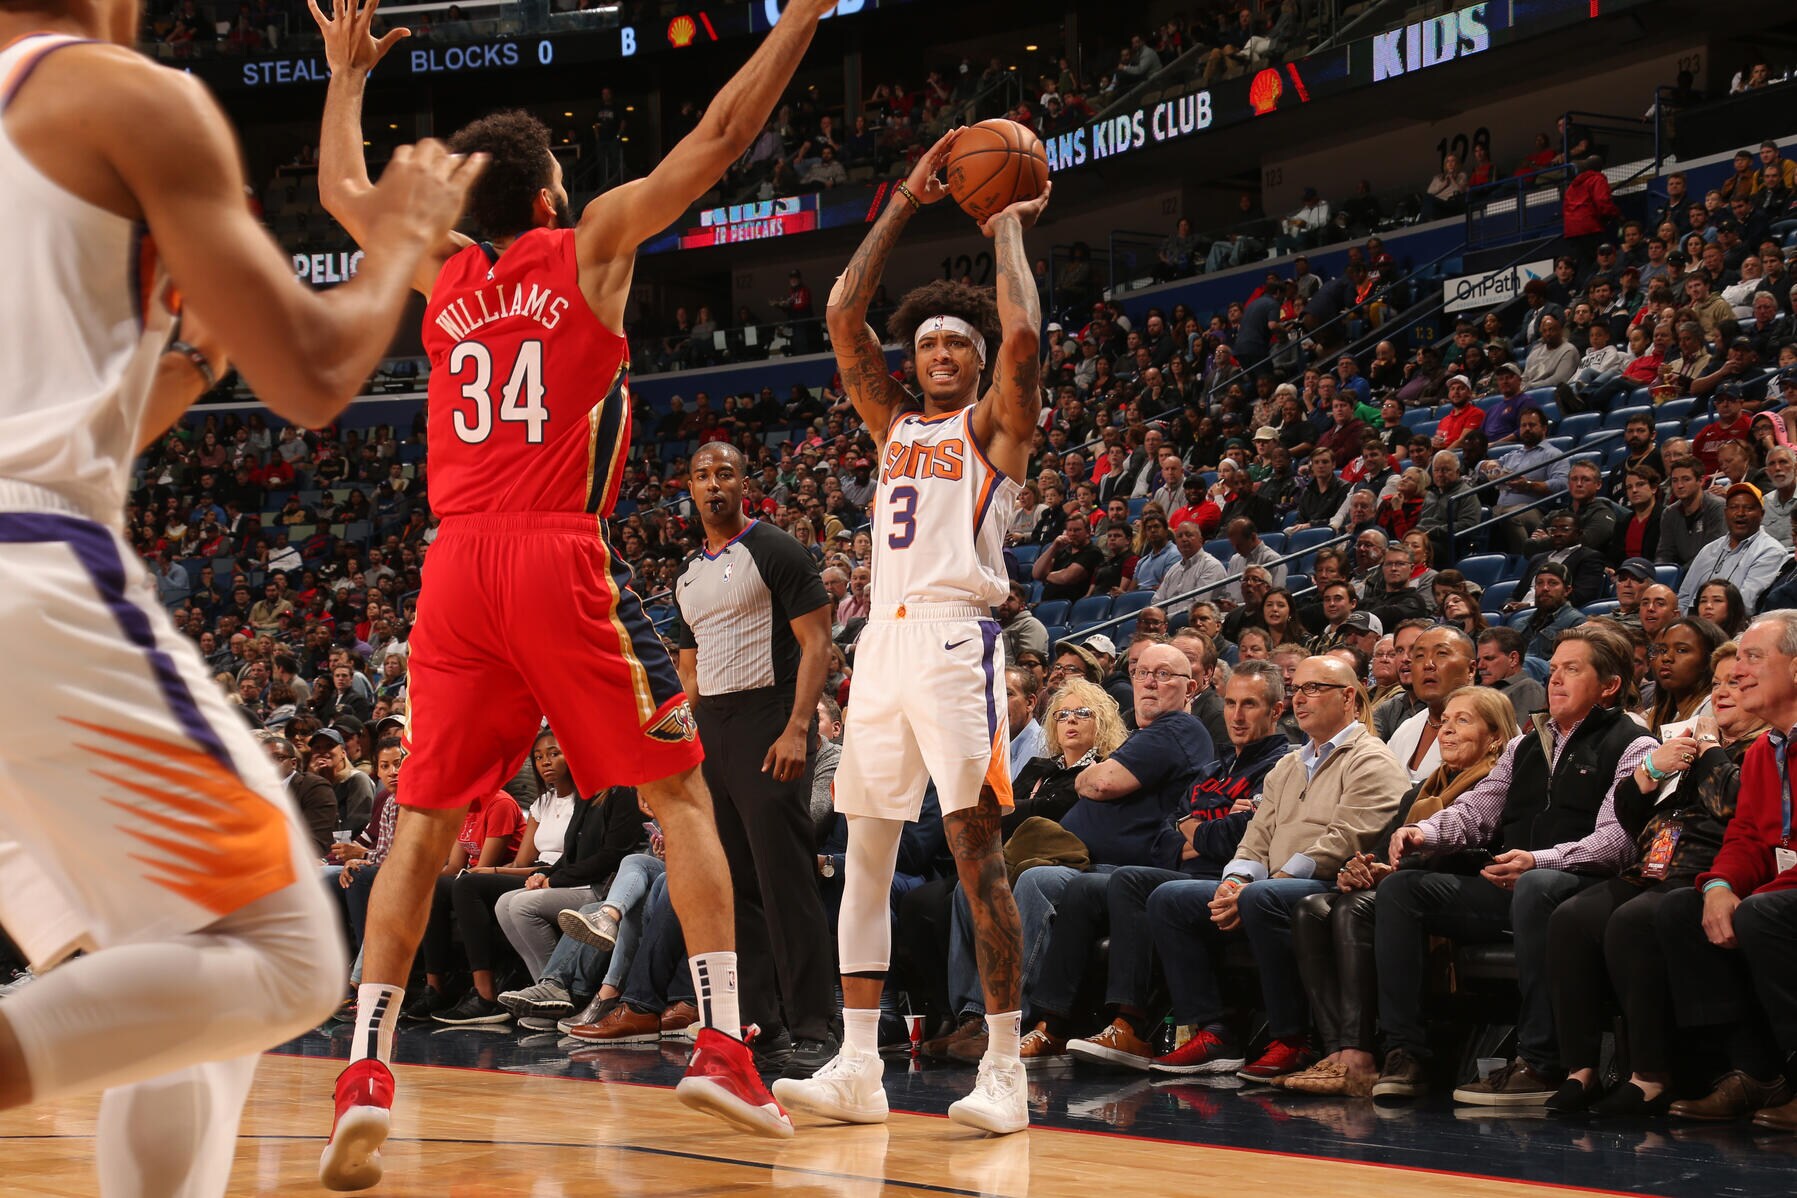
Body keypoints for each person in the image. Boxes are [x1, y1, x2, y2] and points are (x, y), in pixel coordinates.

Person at [311, 0, 842, 1171]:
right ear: (549, 194)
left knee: (422, 827)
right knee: (682, 796)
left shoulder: (447, 276)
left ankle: (363, 1061)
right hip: (555, 551)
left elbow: (346, 197)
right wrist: (801, 16)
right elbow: (719, 132)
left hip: (452, 567)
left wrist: (344, 75)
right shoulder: (591, 242)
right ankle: (720, 1046)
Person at [0, 10, 468, 1170]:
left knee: (196, 971)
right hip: (27, 571)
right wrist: (401, 241)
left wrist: (197, 359)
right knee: (287, 957)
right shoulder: (124, 96)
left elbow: (76, 423)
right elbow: (314, 372)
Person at [772, 123, 1052, 1137]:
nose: (940, 353)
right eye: (928, 341)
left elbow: (1022, 340)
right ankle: (856, 1066)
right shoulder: (893, 425)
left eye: (956, 346)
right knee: (865, 853)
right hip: (879, 647)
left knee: (979, 851)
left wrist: (1008, 224)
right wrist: (905, 196)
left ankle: (1007, 1072)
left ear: (975, 368)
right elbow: (845, 309)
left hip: (951, 643)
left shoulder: (996, 430)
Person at [1371, 624, 1655, 1104]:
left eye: (1573, 669)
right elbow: (1480, 809)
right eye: (1555, 668)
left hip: (1578, 890)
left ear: (1608, 686)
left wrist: (1537, 860)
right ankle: (1408, 1053)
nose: (1557, 679)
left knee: (1537, 886)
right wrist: (1425, 832)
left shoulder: (1633, 743)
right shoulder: (1528, 742)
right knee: (1402, 889)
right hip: (1513, 886)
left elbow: (1618, 842)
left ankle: (1541, 1062)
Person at [1141, 655, 1408, 1080]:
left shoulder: (1371, 759)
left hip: (1332, 884)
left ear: (1349, 697)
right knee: (1170, 899)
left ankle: (1292, 1039)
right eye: (1296, 689)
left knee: (1264, 898)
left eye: (1314, 688)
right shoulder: (1288, 764)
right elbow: (1256, 836)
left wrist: (1266, 884)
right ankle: (1214, 1033)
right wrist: (1233, 882)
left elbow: (1346, 838)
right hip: (1269, 887)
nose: (1300, 699)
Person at [1030, 662, 1294, 1066]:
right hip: (1180, 870)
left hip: (1223, 877)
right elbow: (1165, 835)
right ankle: (1052, 1026)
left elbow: (1237, 835)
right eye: (1231, 704)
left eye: (1251, 705)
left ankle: (1130, 1025)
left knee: (1132, 882)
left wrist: (1201, 827)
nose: (1237, 716)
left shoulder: (1279, 765)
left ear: (1276, 711)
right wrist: (1209, 824)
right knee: (1084, 888)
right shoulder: (1214, 768)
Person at [672, 443, 838, 1078]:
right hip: (712, 731)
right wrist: (685, 751)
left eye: (726, 474)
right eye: (703, 475)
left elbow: (817, 641)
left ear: (746, 481)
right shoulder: (688, 575)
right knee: (734, 886)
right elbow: (687, 672)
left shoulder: (775, 549)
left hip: (771, 722)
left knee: (785, 880)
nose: (715, 485)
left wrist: (799, 728)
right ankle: (762, 1023)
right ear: (689, 487)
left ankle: (815, 1024)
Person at [1545, 643, 1765, 1115]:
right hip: (1650, 867)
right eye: (1719, 683)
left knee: (1633, 921)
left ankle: (1649, 1075)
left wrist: (1706, 752)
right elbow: (1627, 817)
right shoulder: (1687, 745)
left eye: (1737, 682)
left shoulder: (1759, 749)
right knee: (1570, 919)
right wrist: (1649, 769)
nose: (1724, 692)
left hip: (1703, 871)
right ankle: (1579, 1069)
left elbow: (1733, 806)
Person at [1283, 686, 1517, 1096]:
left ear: (1495, 736)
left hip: (1468, 898)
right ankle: (1336, 1050)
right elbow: (1379, 853)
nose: (1446, 731)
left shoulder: (1500, 788)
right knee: (1313, 907)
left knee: (1353, 909)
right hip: (1409, 888)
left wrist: (1388, 873)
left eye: (1463, 721)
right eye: (1444, 722)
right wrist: (1357, 869)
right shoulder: (1422, 790)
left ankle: (1368, 1054)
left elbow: (1472, 857)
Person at [1652, 613, 1797, 1130]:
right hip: (1781, 890)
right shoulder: (1764, 751)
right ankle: (1754, 1071)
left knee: (1764, 913)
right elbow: (1746, 837)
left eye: (1754, 658)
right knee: (1681, 910)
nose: (1736, 672)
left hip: (1785, 895)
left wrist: (1747, 895)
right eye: (1736, 660)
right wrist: (1717, 886)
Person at [1384, 627, 1478, 783]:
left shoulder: (1491, 726)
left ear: (1471, 669)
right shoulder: (1405, 729)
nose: (1427, 664)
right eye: (1419, 656)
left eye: (1441, 654)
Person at [1676, 483, 1788, 611]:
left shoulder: (1771, 551)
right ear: (1725, 512)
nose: (1740, 513)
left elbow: (1745, 605)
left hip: (1734, 627)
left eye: (1748, 508)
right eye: (1734, 507)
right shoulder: (1709, 549)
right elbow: (1684, 597)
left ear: (1761, 514)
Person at [1645, 617, 1727, 735]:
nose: (1666, 658)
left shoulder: (1714, 708)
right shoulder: (1661, 713)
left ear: (1709, 659)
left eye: (1681, 650)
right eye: (1663, 650)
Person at [1657, 457, 1727, 567]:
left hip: (1712, 572)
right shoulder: (1669, 513)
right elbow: (1665, 553)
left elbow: (1712, 553)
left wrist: (1680, 574)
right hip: (1681, 574)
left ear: (1701, 481)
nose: (1679, 485)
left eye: (1686, 479)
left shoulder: (1717, 507)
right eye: (1675, 480)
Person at [1476, 627, 1546, 721]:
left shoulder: (1528, 688)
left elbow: (1525, 734)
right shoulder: (1476, 689)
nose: (1480, 666)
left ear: (1513, 659)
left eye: (1489, 658)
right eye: (1478, 660)